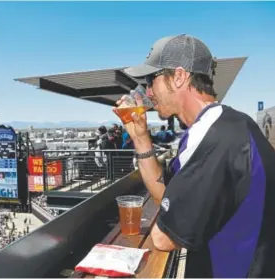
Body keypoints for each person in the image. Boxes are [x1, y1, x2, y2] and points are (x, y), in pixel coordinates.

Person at [115, 34, 275, 277]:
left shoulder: (215, 137)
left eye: (151, 79)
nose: (147, 91)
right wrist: (140, 137)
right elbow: (167, 197)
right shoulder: (222, 125)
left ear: (179, 76)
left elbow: (165, 238)